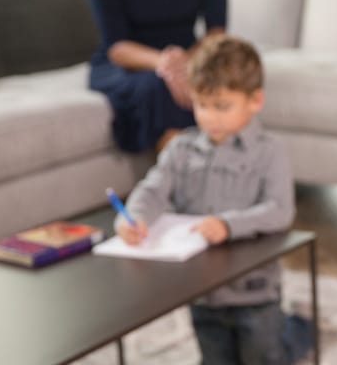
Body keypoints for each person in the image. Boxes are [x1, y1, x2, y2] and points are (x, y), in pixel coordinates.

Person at [114, 35, 304, 365]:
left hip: (254, 294)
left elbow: (280, 211)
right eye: (202, 105)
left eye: (222, 106)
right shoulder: (181, 149)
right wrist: (134, 216)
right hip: (203, 295)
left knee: (267, 357)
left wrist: (229, 225)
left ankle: (299, 328)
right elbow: (153, 189)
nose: (210, 117)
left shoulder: (270, 151)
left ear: (254, 100)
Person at [86, 0, 227, 152]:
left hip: (191, 55)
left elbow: (216, 32)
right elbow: (117, 46)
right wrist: (165, 63)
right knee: (160, 87)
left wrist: (186, 63)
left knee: (225, 78)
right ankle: (184, 175)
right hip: (128, 63)